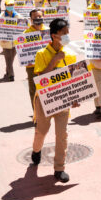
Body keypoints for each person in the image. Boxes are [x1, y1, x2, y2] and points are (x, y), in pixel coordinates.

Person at [30, 18, 79, 183]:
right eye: (63, 33)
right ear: (53, 35)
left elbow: (73, 80)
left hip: (63, 101)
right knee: (41, 132)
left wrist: (74, 97)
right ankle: (36, 151)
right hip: (44, 101)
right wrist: (55, 60)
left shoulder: (70, 55)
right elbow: (41, 78)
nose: (66, 36)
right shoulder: (41, 54)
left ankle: (59, 169)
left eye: (67, 32)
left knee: (62, 135)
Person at [24, 9, 45, 110]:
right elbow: (23, 52)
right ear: (31, 19)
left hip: (48, 66)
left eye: (40, 17)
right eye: (35, 17)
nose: (38, 19)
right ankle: (36, 114)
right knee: (34, 92)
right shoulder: (26, 34)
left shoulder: (49, 31)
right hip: (32, 67)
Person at [0, 0, 21, 81]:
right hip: (5, 42)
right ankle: (11, 75)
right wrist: (1, 37)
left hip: (15, 42)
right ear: (5, 6)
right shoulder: (1, 17)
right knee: (8, 58)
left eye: (12, 5)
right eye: (8, 5)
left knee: (12, 58)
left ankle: (8, 70)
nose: (10, 7)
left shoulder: (18, 16)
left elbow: (22, 28)